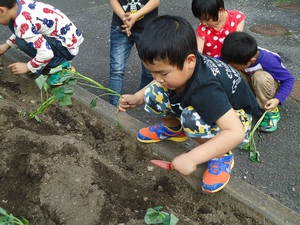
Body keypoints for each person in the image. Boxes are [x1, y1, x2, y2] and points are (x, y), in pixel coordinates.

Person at [118, 15, 262, 193]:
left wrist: (192, 158)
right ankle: (173, 129)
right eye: (152, 72)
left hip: (238, 118)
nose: (156, 78)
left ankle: (221, 155)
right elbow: (157, 82)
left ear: (190, 61)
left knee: (191, 119)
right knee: (153, 93)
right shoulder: (180, 68)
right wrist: (138, 97)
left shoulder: (205, 88)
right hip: (216, 107)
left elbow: (235, 132)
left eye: (162, 73)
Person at [221, 31, 295, 132]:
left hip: (267, 88)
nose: (231, 65)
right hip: (251, 84)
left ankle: (270, 112)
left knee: (260, 77)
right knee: (229, 71)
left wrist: (278, 99)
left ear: (251, 61)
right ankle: (244, 104)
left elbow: (289, 79)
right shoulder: (234, 55)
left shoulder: (268, 60)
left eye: (235, 65)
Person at [0, 0, 84, 85]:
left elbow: (46, 53)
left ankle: (63, 67)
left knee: (22, 42)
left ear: (2, 10)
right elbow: (24, 31)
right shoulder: (20, 5)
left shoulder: (22, 21)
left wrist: (28, 67)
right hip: (66, 40)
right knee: (13, 24)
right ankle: (45, 63)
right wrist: (7, 45)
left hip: (65, 48)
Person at [108, 0, 160, 106]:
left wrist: (136, 16)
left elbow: (155, 1)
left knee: (149, 69)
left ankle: (143, 98)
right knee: (116, 69)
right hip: (120, 26)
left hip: (147, 28)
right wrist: (124, 17)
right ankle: (114, 104)